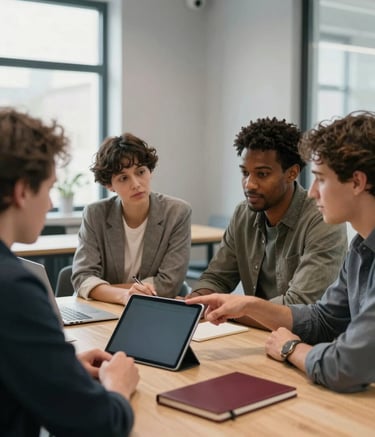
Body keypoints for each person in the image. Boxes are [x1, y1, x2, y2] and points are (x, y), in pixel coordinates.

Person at [187, 111, 375, 393]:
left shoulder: (329, 228)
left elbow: (344, 366)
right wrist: (247, 305)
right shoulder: (360, 248)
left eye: (321, 179)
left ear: (358, 182)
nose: (312, 192)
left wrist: (290, 348)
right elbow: (323, 319)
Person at [0, 108, 139, 436]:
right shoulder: (14, 288)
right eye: (49, 188)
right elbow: (97, 424)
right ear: (22, 191)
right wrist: (118, 386)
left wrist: (57, 370)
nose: (49, 204)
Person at [190, 117, 347, 327]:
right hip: (255, 334)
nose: (249, 184)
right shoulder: (243, 214)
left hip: (304, 340)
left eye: (262, 174)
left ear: (292, 173)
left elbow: (299, 306)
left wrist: (227, 310)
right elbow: (217, 277)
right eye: (245, 173)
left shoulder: (322, 219)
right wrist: (194, 303)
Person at [72, 132, 192, 305]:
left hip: (153, 309)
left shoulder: (177, 212)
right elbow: (82, 277)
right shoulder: (95, 214)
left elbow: (169, 283)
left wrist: (106, 290)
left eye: (141, 171)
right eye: (123, 178)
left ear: (150, 171)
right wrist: (124, 296)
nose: (136, 184)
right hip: (109, 308)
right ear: (109, 185)